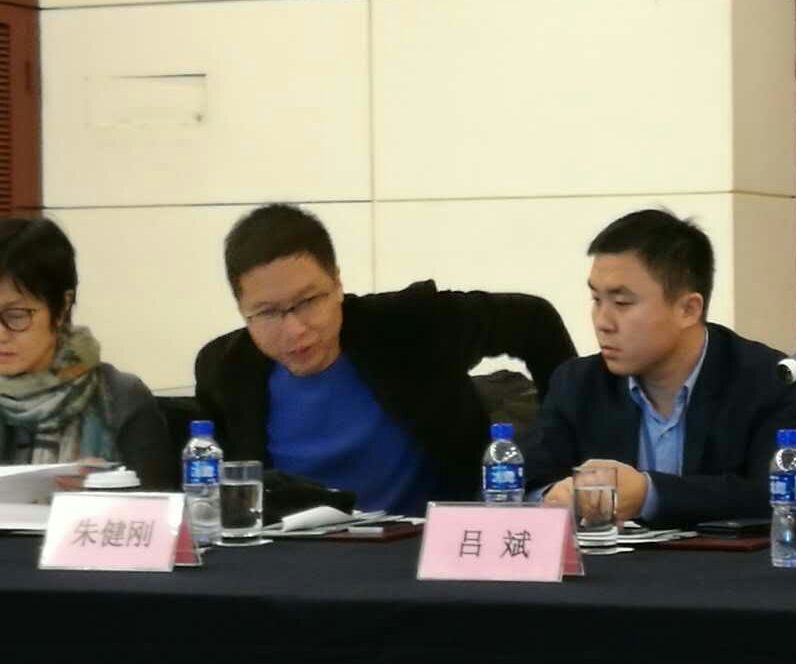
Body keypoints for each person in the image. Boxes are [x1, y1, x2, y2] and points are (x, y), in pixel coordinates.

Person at [194, 204, 576, 515]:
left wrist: (560, 455)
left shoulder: (410, 326)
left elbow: (534, 320)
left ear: (337, 284)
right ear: (241, 309)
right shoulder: (226, 368)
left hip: (422, 548)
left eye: (308, 301)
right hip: (291, 558)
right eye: (266, 313)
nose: (294, 329)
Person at [523, 209, 796, 528]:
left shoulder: (766, 379)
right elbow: (517, 482)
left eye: (622, 303)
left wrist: (648, 494)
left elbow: (775, 497)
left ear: (688, 309)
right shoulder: (578, 383)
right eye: (596, 300)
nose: (602, 322)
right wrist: (552, 496)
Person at [0, 218, 169, 485]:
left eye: (16, 315)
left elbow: (159, 503)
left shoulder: (121, 398)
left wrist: (100, 496)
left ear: (62, 307)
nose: (1, 334)